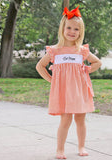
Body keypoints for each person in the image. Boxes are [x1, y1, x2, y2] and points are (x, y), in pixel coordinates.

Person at [36, 6, 102, 159]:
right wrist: (52, 80)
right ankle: (60, 149)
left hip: (79, 91)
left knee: (80, 119)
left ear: (81, 32)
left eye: (76, 29)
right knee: (65, 119)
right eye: (69, 28)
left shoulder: (81, 50)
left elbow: (97, 62)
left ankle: (81, 146)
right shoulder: (55, 50)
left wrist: (86, 70)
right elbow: (40, 66)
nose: (72, 31)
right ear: (63, 28)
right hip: (64, 92)